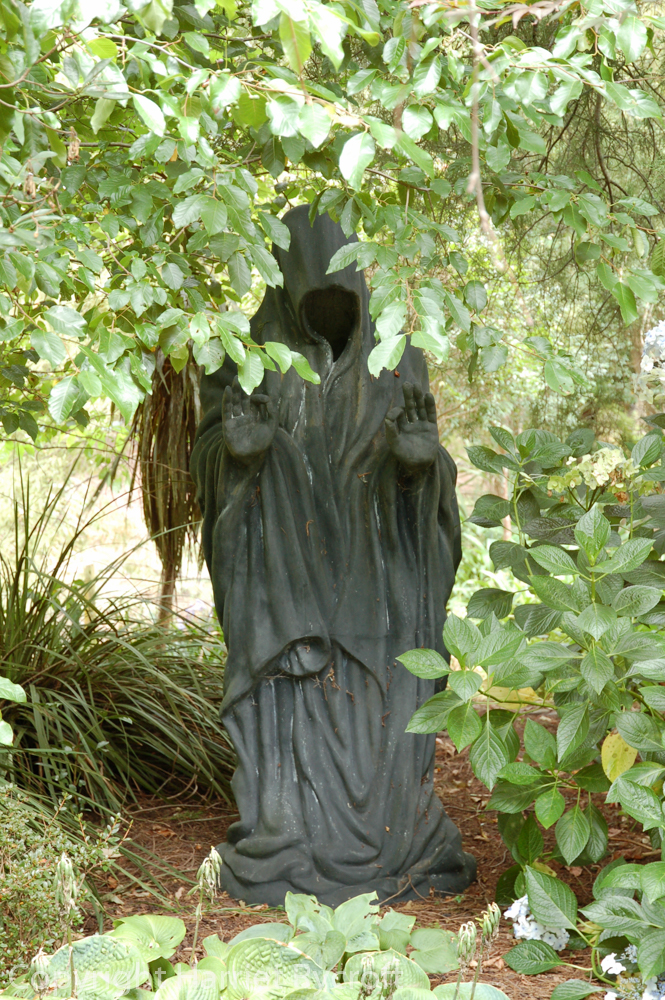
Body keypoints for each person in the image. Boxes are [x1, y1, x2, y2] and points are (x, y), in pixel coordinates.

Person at [190, 205, 476, 906]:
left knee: (385, 706)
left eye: (342, 301)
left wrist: (418, 468)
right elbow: (209, 460)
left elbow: (428, 473)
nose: (328, 317)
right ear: (284, 286)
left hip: (377, 583)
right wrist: (239, 456)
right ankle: (286, 832)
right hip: (285, 588)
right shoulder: (241, 356)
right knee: (289, 705)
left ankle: (393, 838)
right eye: (313, 299)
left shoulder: (398, 357)